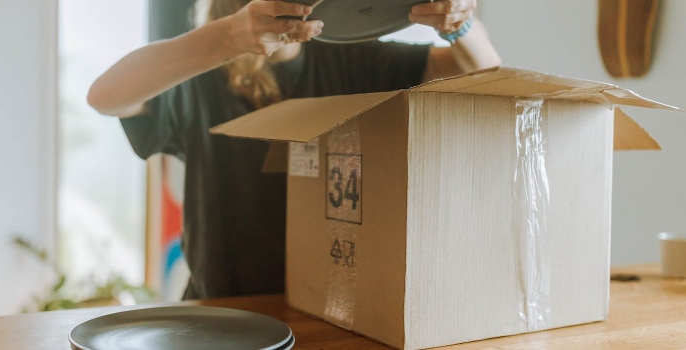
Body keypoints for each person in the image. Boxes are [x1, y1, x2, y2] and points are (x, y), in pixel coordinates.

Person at [88, 0, 501, 300]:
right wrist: (229, 37)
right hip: (221, 316)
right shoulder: (202, 73)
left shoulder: (353, 59)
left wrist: (460, 23)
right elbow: (106, 96)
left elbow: (484, 75)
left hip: (334, 312)